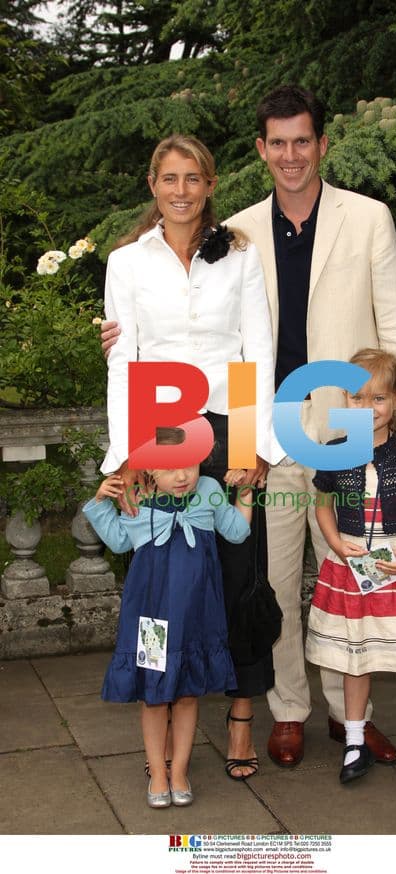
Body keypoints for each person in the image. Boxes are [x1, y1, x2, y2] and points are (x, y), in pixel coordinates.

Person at [102, 85, 396, 768]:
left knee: (360, 571)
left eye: (302, 140)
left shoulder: (369, 219)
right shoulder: (241, 233)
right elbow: (194, 313)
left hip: (350, 426)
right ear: (261, 150)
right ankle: (288, 711)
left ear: (321, 144)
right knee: (275, 581)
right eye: (277, 142)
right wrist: (121, 340)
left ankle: (356, 718)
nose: (290, 154)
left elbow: (395, 323)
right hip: (275, 426)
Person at [100, 133, 278, 781]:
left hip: (229, 423)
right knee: (159, 585)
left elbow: (256, 348)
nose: (180, 191)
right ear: (153, 184)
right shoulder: (127, 262)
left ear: (209, 185)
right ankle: (159, 712)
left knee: (238, 575)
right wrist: (127, 457)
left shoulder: (239, 255)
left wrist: (255, 443)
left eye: (192, 178)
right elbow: (125, 362)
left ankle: (238, 719)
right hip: (163, 429)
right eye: (169, 178)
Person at [83, 436, 254, 808]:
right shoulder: (140, 500)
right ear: (149, 472)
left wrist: (244, 493)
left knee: (188, 692)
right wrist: (99, 502)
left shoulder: (208, 490)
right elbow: (116, 541)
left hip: (198, 615)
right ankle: (158, 774)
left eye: (190, 466)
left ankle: (179, 772)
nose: (183, 476)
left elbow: (237, 532)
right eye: (171, 469)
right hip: (152, 616)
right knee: (155, 697)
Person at [306, 349, 396, 784]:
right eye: (357, 398)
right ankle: (354, 741)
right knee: (356, 656)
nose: (367, 410)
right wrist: (333, 542)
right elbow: (323, 507)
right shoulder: (333, 453)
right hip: (350, 567)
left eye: (379, 400)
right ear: (344, 401)